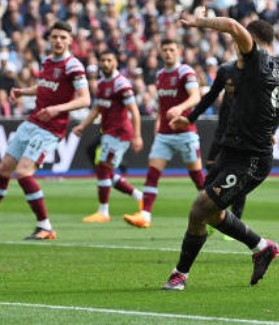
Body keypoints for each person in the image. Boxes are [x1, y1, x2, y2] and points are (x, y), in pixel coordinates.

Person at [163, 15, 279, 291]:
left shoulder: (256, 61)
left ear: (252, 40)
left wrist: (197, 22)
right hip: (233, 152)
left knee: (199, 208)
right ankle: (261, 247)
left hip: (250, 160)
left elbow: (234, 27)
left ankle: (180, 274)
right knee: (209, 213)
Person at [0, 21, 90, 240]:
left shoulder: (73, 66)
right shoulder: (48, 61)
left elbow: (85, 99)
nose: (58, 41)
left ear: (70, 41)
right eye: (55, 37)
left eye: (63, 37)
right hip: (33, 122)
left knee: (23, 173)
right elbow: (46, 87)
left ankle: (45, 226)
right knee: (3, 169)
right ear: (49, 39)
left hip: (50, 128)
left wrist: (56, 109)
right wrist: (25, 92)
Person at [122, 38, 203, 229]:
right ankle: (145, 215)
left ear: (179, 51)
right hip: (165, 134)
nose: (168, 53)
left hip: (185, 132)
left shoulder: (185, 71)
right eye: (165, 50)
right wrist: (159, 122)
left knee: (198, 177)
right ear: (160, 52)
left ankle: (218, 213)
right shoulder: (160, 75)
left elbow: (196, 96)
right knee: (152, 173)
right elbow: (163, 104)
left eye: (171, 49)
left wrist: (179, 108)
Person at [71, 50, 144, 222]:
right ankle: (139, 196)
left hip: (119, 133)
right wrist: (82, 126)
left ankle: (103, 212)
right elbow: (96, 109)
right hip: (108, 133)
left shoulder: (122, 84)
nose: (105, 63)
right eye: (102, 60)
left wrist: (137, 135)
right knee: (106, 172)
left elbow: (134, 111)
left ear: (116, 62)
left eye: (109, 60)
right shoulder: (102, 84)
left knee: (103, 169)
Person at [178, 56, 247, 225]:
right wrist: (191, 118)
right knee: (210, 177)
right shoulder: (225, 71)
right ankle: (214, 216)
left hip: (242, 138)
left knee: (240, 180)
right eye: (228, 84)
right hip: (221, 136)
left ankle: (235, 220)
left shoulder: (252, 84)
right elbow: (209, 97)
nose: (230, 86)